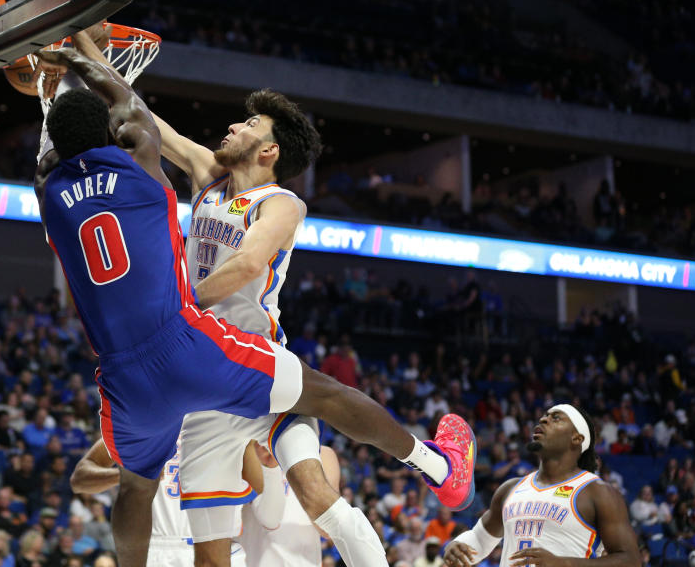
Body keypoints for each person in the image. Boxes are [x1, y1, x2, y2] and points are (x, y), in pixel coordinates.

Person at [33, 43, 474, 567]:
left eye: (248, 126)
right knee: (213, 551)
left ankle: (437, 466)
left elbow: (246, 266)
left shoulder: (281, 203)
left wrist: (175, 305)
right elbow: (150, 125)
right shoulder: (206, 179)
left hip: (244, 353)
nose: (233, 128)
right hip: (200, 374)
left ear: (269, 152)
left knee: (315, 487)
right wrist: (87, 44)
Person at [443, 404, 640, 567]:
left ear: (577, 438)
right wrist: (459, 545)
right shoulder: (510, 488)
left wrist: (564, 564)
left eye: (556, 418)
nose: (543, 420)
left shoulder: (597, 492)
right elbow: (479, 539)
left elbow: (630, 560)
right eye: (544, 416)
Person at [70, 436, 249, 566]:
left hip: (223, 547)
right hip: (160, 549)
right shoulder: (142, 424)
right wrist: (129, 476)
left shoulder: (231, 415)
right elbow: (80, 479)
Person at [238, 442, 344, 566]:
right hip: (256, 560)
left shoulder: (322, 454)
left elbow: (328, 530)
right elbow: (269, 521)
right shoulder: (250, 448)